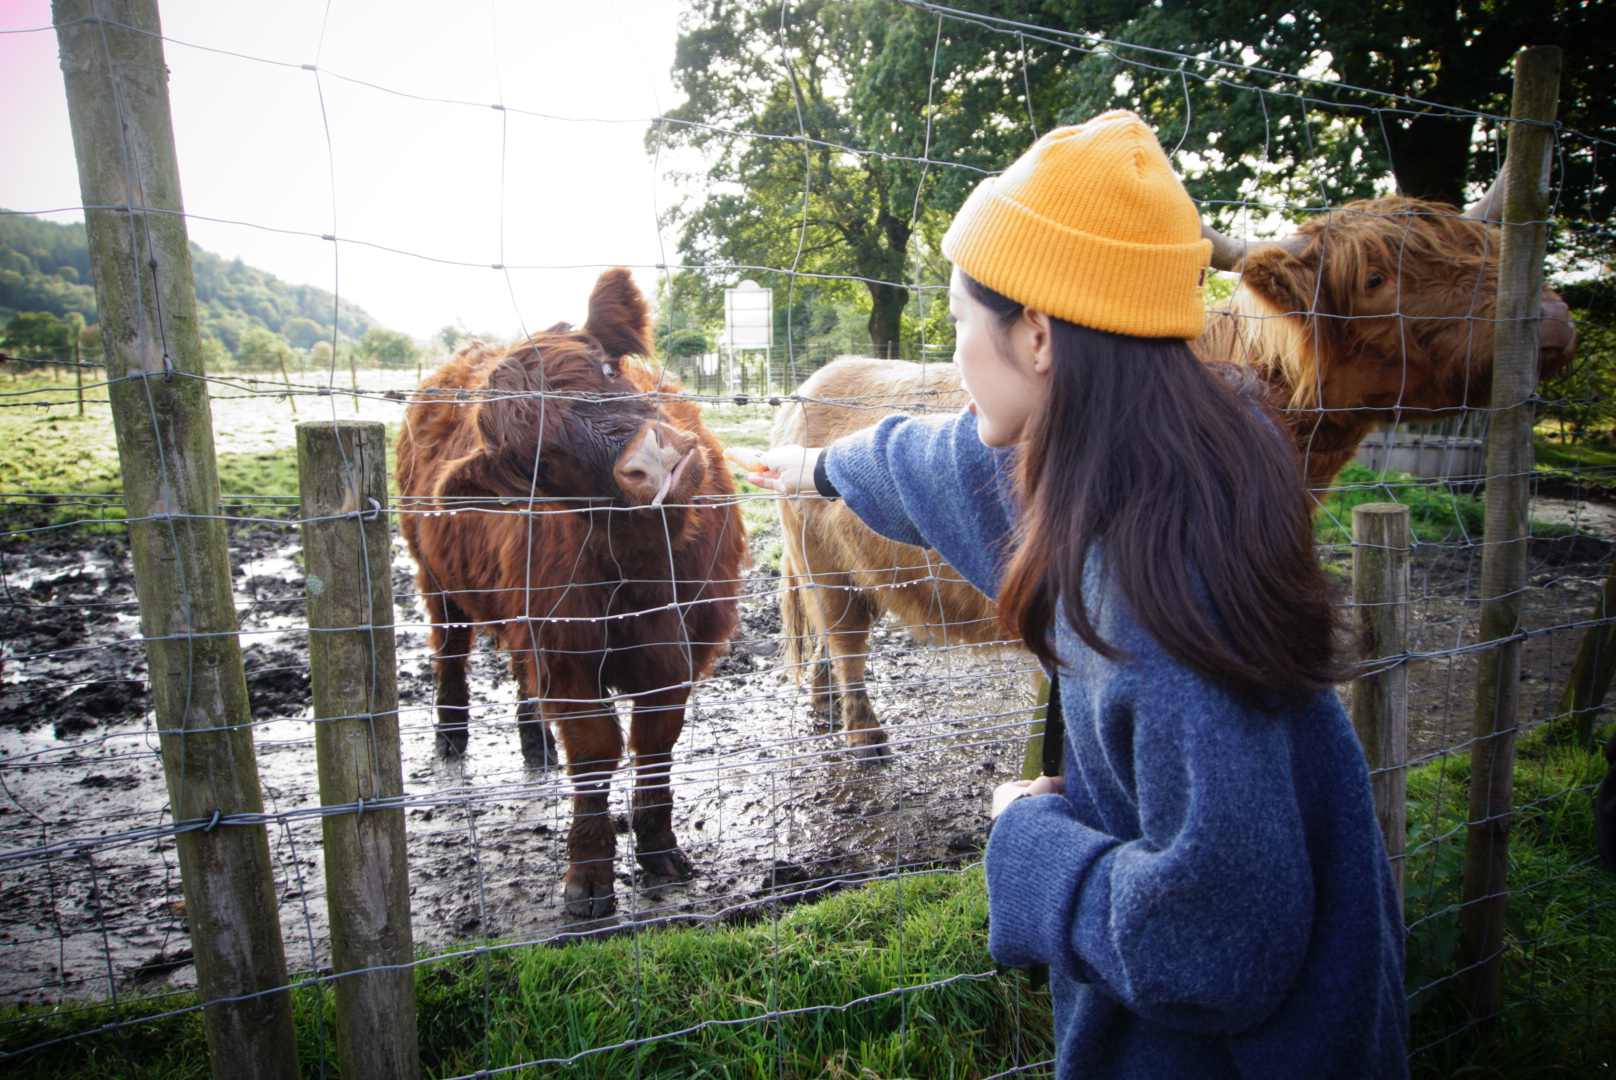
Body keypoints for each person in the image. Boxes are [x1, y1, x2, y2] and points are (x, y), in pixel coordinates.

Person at [731, 111, 1409, 1078]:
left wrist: (1029, 841)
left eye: (960, 323)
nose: (953, 360)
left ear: (1039, 336)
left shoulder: (1166, 592)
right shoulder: (1166, 466)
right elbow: (943, 459)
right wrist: (809, 466)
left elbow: (1214, 946)